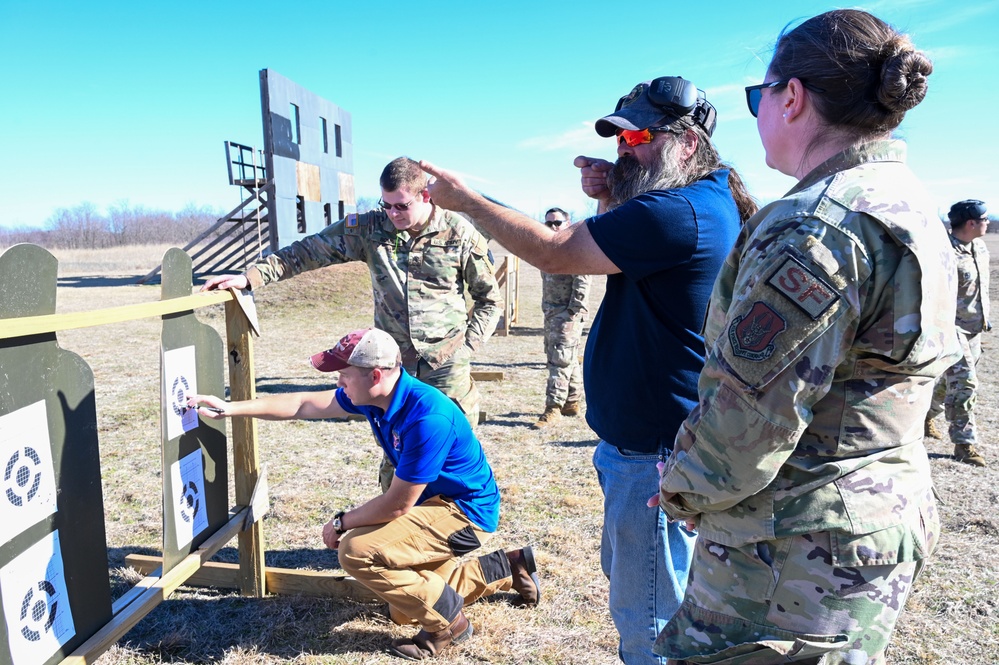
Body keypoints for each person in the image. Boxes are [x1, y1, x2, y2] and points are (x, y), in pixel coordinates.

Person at [654, 10, 961, 664]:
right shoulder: (907, 202)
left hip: (786, 550)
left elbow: (751, 418)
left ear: (789, 97)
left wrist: (681, 485)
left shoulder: (816, 225)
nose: (756, 112)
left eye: (755, 97)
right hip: (870, 522)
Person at [421, 75, 755, 664]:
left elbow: (555, 251)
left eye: (639, 138)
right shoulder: (698, 200)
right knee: (651, 590)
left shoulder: (677, 211)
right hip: (651, 446)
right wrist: (611, 195)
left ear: (686, 144)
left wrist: (467, 202)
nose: (625, 149)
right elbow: (617, 257)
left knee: (648, 616)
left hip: (653, 451)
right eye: (621, 140)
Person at [189, 328, 540, 661]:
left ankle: (450, 626)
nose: (338, 382)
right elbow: (303, 404)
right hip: (433, 506)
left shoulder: (427, 416)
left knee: (356, 551)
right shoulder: (377, 397)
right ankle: (508, 566)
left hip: (464, 512)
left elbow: (398, 504)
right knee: (403, 610)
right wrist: (230, 407)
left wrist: (341, 523)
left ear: (375, 376)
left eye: (344, 374)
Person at [202, 156, 503, 491]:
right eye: (386, 205)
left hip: (446, 366)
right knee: (398, 451)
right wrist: (251, 278)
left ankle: (447, 532)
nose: (393, 214)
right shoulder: (370, 230)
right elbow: (306, 252)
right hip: (392, 368)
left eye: (401, 206)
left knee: (451, 456)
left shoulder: (459, 234)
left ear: (425, 196)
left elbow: (490, 299)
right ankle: (388, 529)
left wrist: (466, 347)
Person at [924, 199, 991, 467]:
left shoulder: (980, 247)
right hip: (952, 329)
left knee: (947, 383)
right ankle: (964, 444)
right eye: (984, 220)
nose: (988, 223)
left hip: (976, 328)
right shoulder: (944, 253)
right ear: (971, 223)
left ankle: (926, 416)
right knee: (965, 384)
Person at [533, 207, 591, 429]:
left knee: (558, 359)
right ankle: (572, 400)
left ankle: (553, 407)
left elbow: (583, 280)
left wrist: (573, 311)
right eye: (549, 223)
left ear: (567, 224)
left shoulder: (574, 247)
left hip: (567, 313)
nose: (554, 227)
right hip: (551, 312)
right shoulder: (548, 247)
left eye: (558, 223)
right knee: (567, 356)